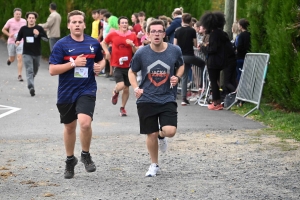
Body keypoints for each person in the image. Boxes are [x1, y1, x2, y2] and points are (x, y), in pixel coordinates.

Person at [49, 10, 106, 179]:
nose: (77, 25)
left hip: (86, 89)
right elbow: (52, 70)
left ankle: (85, 154)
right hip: (66, 92)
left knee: (85, 123)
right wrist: (73, 63)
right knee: (69, 127)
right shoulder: (61, 45)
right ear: (68, 25)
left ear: (84, 24)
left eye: (80, 22)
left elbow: (102, 58)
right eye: (74, 22)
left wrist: (100, 66)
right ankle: (69, 160)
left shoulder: (93, 43)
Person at [128, 19, 184, 177]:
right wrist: (136, 88)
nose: (157, 34)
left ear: (164, 34)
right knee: (150, 133)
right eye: (153, 31)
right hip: (147, 98)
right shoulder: (141, 52)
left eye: (160, 31)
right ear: (148, 34)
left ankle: (162, 136)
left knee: (170, 131)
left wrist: (177, 77)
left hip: (167, 97)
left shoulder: (174, 50)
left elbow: (181, 65)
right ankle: (154, 164)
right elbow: (131, 71)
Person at [101, 16, 138, 117]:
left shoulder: (132, 35)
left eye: (126, 23)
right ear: (119, 25)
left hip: (129, 65)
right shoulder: (113, 34)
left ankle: (122, 108)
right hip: (116, 64)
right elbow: (103, 42)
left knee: (126, 88)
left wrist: (132, 45)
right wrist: (106, 52)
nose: (124, 24)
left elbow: (136, 51)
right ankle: (116, 91)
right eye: (122, 23)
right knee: (121, 85)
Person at [174, 13, 205, 106]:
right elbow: (195, 44)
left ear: (182, 20)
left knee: (184, 76)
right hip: (190, 55)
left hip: (181, 56)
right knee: (203, 64)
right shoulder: (192, 31)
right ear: (190, 21)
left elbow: (174, 45)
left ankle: (184, 98)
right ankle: (201, 85)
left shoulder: (177, 30)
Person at [15, 11, 48, 96]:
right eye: (30, 18)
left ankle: (30, 80)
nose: (31, 19)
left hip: (37, 53)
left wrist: (39, 34)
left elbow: (46, 39)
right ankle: (31, 87)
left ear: (35, 19)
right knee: (29, 70)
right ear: (27, 19)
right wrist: (17, 41)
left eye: (33, 18)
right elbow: (18, 37)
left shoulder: (39, 28)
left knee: (35, 70)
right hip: (27, 53)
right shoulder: (23, 29)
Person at [2, 8, 27, 81]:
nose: (18, 15)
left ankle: (19, 75)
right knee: (12, 59)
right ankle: (9, 60)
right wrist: (9, 34)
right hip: (12, 42)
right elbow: (3, 29)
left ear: (21, 14)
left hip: (21, 41)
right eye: (17, 14)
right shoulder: (10, 21)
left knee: (19, 57)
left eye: (19, 14)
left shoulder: (24, 21)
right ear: (14, 14)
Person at [236, 18, 251, 83]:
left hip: (240, 56)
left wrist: (236, 50)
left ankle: (239, 89)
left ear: (241, 26)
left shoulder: (241, 35)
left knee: (239, 73)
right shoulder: (249, 34)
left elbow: (239, 46)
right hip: (248, 56)